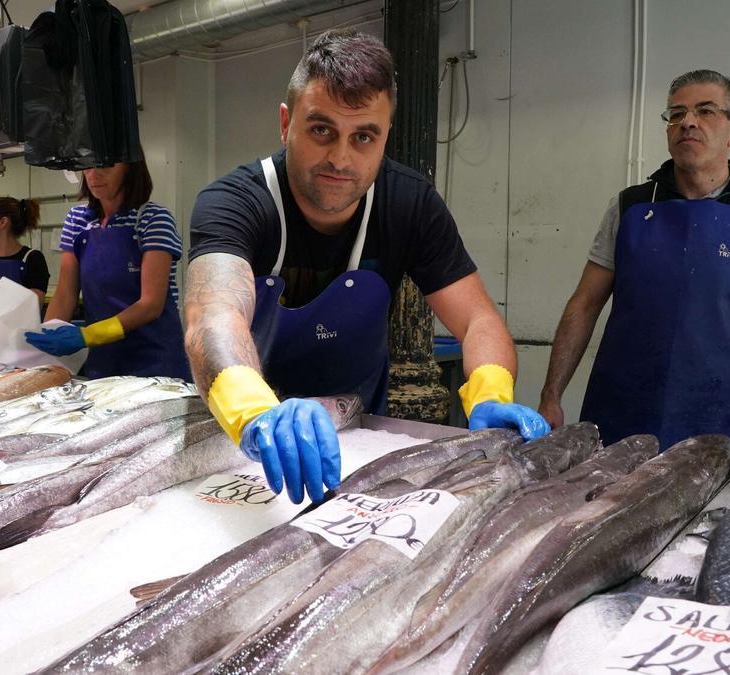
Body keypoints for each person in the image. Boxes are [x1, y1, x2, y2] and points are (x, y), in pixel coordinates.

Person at [184, 29, 549, 504]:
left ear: (384, 138)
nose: (340, 157)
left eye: (363, 137)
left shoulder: (409, 204)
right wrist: (253, 413)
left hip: (354, 443)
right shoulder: (234, 202)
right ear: (285, 123)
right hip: (236, 440)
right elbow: (212, 314)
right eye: (321, 130)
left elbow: (477, 317)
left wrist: (490, 392)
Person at [537, 69, 730, 475]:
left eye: (705, 111)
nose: (688, 122)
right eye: (676, 114)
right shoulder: (630, 207)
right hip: (615, 412)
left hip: (708, 417)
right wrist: (551, 396)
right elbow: (585, 303)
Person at [25, 160, 190, 381]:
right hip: (104, 362)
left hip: (156, 361)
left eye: (107, 165)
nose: (94, 175)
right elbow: (65, 294)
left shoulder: (153, 219)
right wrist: (44, 344)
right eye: (88, 166)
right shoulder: (77, 221)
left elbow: (150, 305)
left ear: (130, 168)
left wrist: (88, 335)